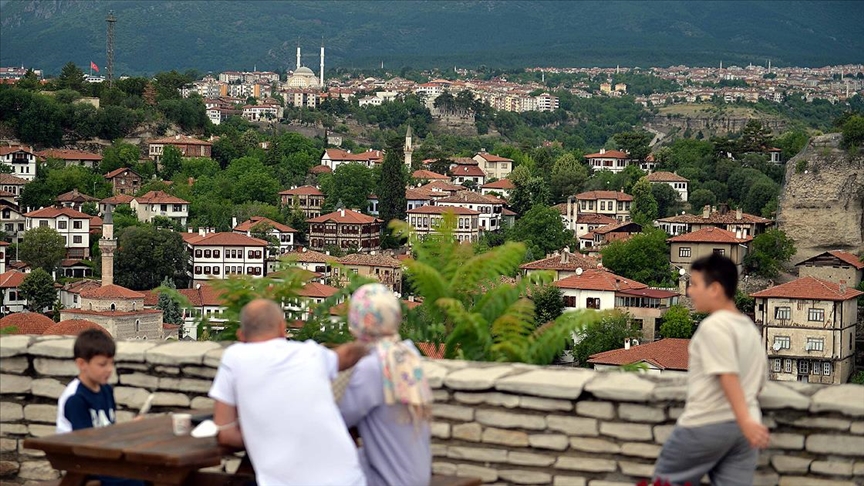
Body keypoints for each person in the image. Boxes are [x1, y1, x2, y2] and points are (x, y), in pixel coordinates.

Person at [209, 298, 369, 486]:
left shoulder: (234, 357)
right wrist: (376, 340)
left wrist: (264, 433)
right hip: (349, 479)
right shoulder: (310, 353)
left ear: (241, 335)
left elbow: (225, 433)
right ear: (283, 328)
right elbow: (348, 355)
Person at [653, 254, 769, 486]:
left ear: (715, 288)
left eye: (694, 284)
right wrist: (746, 422)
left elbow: (727, 374)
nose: (689, 292)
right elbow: (758, 382)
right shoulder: (750, 328)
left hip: (707, 424)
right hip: (745, 434)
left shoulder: (714, 327)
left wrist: (743, 419)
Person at [338, 283, 433, 486]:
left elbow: (339, 420)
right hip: (417, 477)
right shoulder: (409, 354)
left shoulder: (372, 368)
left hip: (388, 480)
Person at [56, 329, 145, 486]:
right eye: (102, 364)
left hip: (103, 457)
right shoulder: (76, 398)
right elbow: (85, 444)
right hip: (82, 464)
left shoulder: (105, 389)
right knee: (138, 480)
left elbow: (107, 430)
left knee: (152, 471)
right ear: (82, 364)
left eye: (111, 363)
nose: (109, 369)